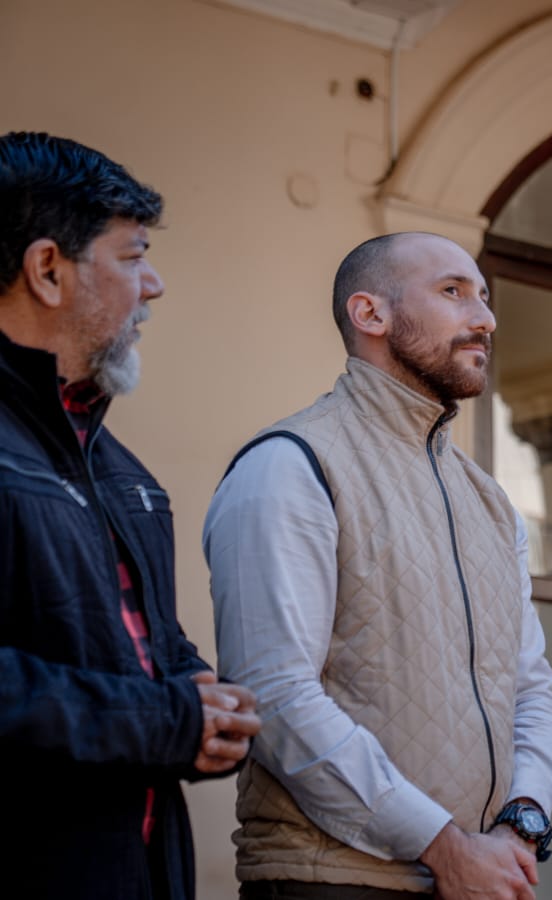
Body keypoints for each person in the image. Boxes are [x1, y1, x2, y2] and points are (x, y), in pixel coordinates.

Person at [205, 232, 552, 899]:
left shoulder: (490, 502)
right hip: (333, 881)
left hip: (484, 878)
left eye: (484, 298)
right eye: (453, 292)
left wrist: (522, 820)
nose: (484, 318)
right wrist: (444, 845)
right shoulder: (289, 465)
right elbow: (277, 698)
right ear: (370, 315)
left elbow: (531, 688)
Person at [0, 131, 261, 899]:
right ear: (48, 269)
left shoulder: (126, 474)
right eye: (132, 255)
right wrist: (164, 719)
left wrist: (206, 702)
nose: (154, 286)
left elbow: (148, 647)